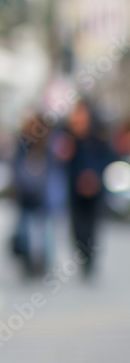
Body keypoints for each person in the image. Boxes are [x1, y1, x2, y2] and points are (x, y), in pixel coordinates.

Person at [60, 99, 116, 278]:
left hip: (95, 190)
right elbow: (63, 161)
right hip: (75, 190)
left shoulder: (98, 136)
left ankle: (90, 260)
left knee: (92, 227)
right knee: (77, 227)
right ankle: (82, 256)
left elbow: (108, 158)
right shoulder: (69, 136)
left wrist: (95, 177)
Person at [11, 115, 56, 276]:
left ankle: (42, 263)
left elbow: (52, 169)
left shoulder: (46, 144)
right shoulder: (22, 143)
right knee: (24, 231)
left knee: (43, 231)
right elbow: (15, 166)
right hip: (25, 196)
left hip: (41, 195)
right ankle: (27, 261)